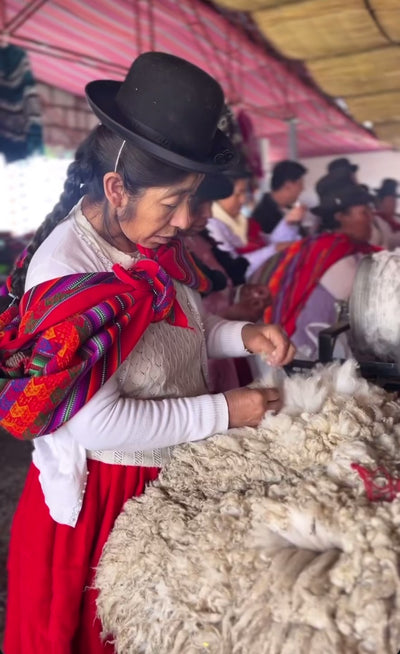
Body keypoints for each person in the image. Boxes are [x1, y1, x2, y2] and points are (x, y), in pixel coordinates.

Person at [1, 52, 295, 654]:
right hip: (104, 513)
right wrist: (227, 411)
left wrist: (239, 335)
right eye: (175, 201)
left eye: (194, 198)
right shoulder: (71, 278)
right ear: (116, 188)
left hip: (162, 484)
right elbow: (100, 423)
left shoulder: (142, 238)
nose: (189, 219)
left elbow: (172, 327)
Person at [251, 182, 379, 361]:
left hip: (323, 345)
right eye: (364, 213)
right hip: (307, 350)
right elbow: (370, 302)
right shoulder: (334, 251)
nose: (370, 218)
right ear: (340, 216)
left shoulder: (346, 248)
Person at [185, 174, 271, 392]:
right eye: (198, 206)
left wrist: (245, 294)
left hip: (229, 349)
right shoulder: (168, 251)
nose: (209, 214)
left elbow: (222, 289)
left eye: (209, 205)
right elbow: (180, 333)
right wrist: (233, 315)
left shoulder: (202, 240)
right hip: (202, 365)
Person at [250, 159, 308, 237]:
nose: (302, 188)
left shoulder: (288, 209)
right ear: (288, 185)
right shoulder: (263, 216)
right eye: (300, 184)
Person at [371, 178, 400, 249]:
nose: (394, 204)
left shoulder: (397, 219)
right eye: (390, 201)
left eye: (394, 200)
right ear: (380, 203)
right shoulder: (374, 221)